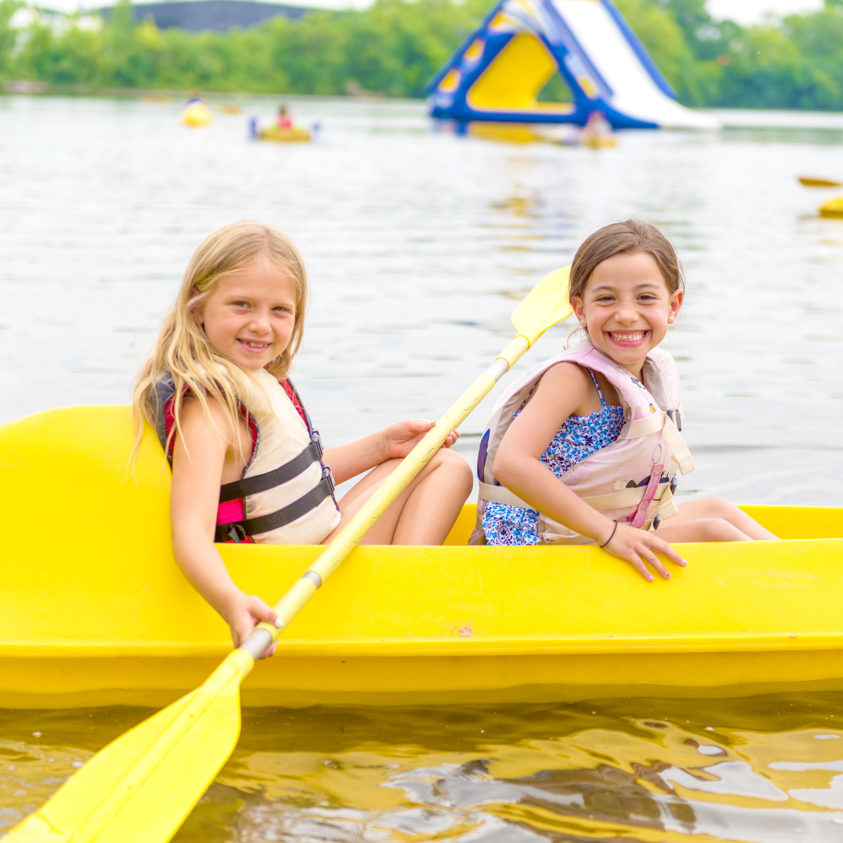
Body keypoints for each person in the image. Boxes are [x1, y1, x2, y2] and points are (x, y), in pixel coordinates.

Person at [133, 220, 472, 653]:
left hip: (314, 552)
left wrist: (381, 447)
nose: (261, 325)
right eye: (241, 305)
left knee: (438, 462)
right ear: (198, 307)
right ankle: (399, 604)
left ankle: (396, 591)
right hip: (286, 579)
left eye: (279, 311)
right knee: (450, 466)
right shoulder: (209, 408)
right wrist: (232, 603)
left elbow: (286, 481)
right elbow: (190, 535)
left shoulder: (256, 381)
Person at [473, 219, 777, 581]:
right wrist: (609, 533)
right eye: (606, 298)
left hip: (596, 530)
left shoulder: (649, 371)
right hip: (541, 544)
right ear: (580, 309)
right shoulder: (572, 377)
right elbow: (512, 464)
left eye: (645, 297)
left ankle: (817, 578)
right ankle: (801, 602)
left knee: (719, 509)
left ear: (673, 305)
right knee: (714, 533)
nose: (627, 314)